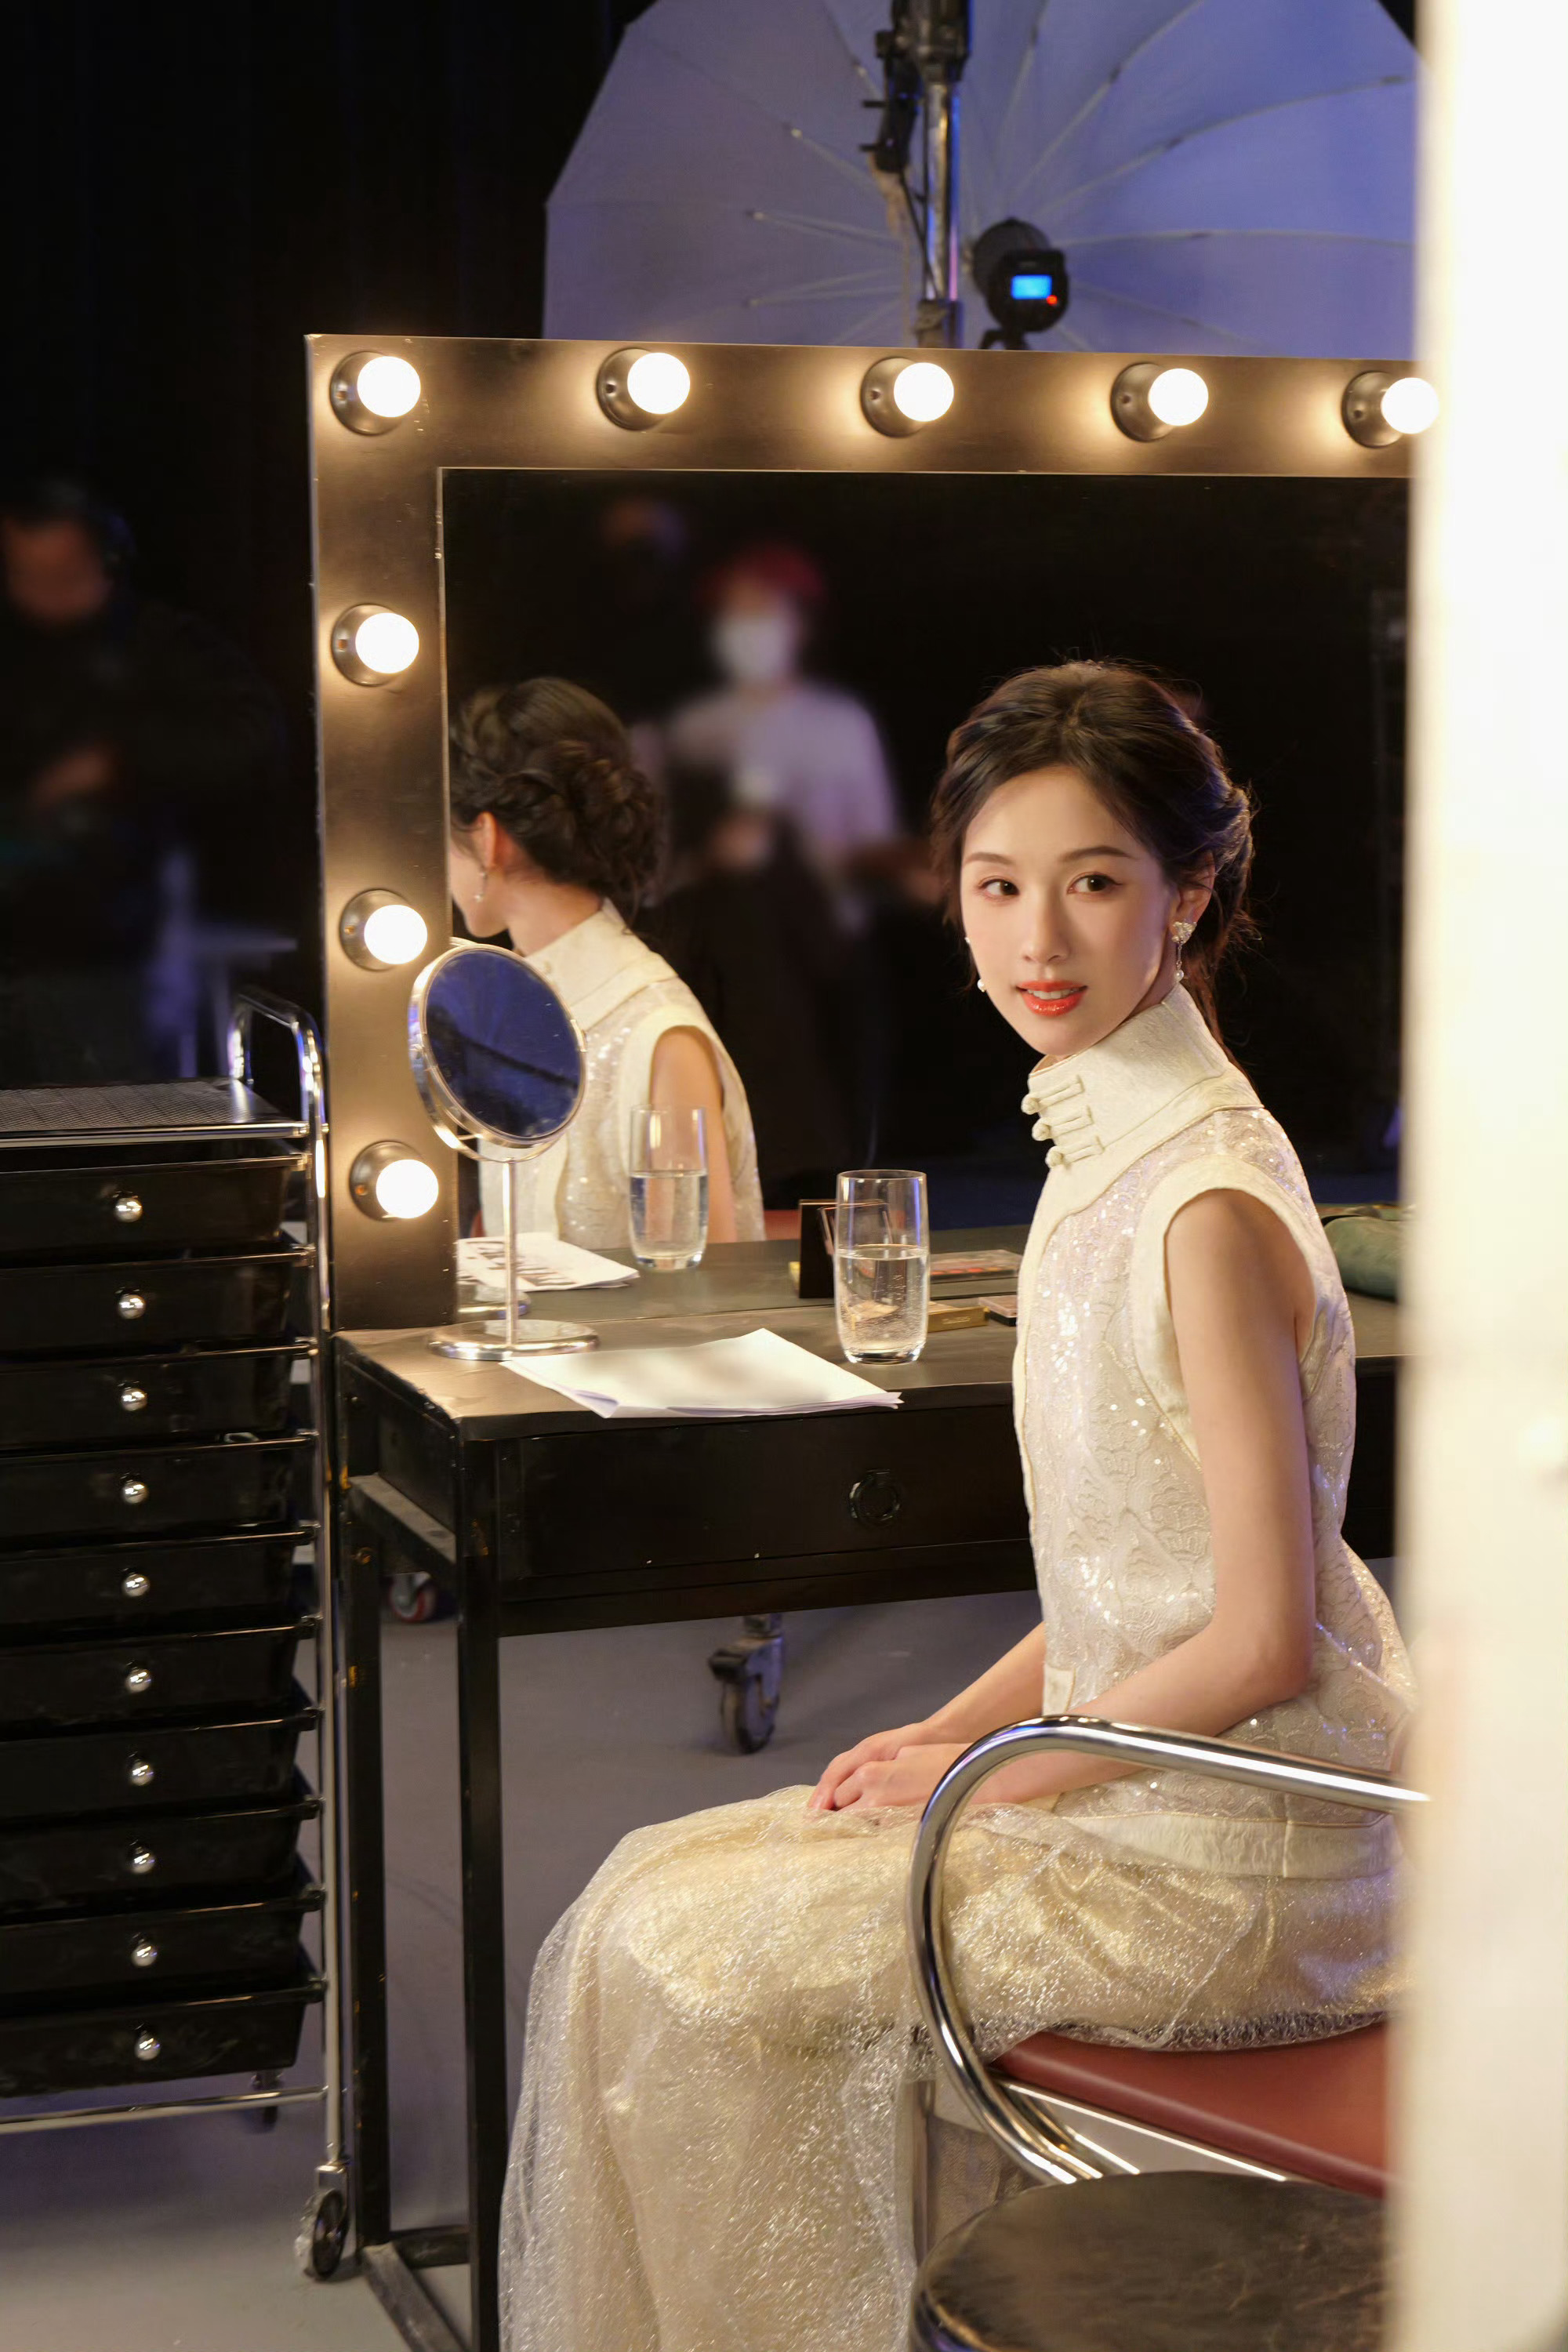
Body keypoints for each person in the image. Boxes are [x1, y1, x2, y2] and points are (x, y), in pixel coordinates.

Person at [497, 662, 1414, 2352]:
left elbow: (1262, 1641)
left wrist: (985, 1774)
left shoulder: (1200, 1203)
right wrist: (946, 1730)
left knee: (692, 1963)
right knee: (634, 1903)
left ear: (1187, 894)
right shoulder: (1103, 1158)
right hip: (1142, 1786)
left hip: (1235, 1854)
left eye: (1094, 882)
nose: (1035, 940)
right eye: (997, 888)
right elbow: (1123, 1587)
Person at [446, 678, 764, 1249]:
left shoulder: (656, 1034)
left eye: (446, 837)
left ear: (489, 839)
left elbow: (701, 1285)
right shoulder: (506, 1017)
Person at [0, 478, 285, 1083]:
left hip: (99, 965)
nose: (42, 593)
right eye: (25, 575)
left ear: (108, 561)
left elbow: (255, 737)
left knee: (95, 1121)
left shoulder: (163, 643)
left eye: (61, 575)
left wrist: (121, 760)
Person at [663, 543, 901, 888]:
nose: (744, 627)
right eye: (732, 613)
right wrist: (714, 859)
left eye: (760, 611)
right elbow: (667, 858)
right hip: (716, 913)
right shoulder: (693, 725)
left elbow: (877, 845)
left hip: (823, 916)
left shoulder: (844, 723)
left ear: (800, 624)